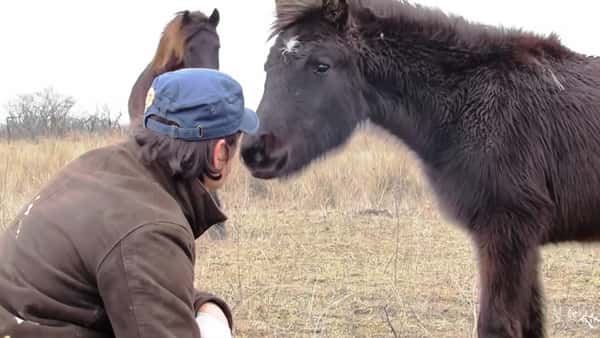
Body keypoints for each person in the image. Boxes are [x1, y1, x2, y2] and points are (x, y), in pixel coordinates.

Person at [0, 68, 259, 338]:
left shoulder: (102, 166)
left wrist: (207, 307)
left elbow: (133, 277)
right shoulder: (149, 227)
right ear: (220, 153)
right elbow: (139, 257)